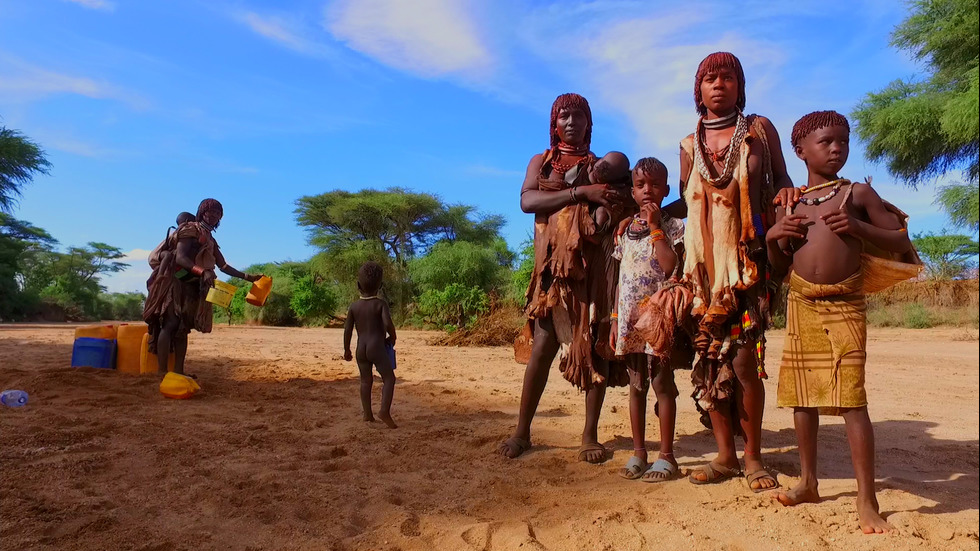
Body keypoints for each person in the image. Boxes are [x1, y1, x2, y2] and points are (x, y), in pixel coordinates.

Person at [767, 110, 909, 534]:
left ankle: (867, 500)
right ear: (800, 150)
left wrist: (859, 227)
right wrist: (775, 237)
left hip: (845, 302)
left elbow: (901, 238)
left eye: (842, 142)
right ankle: (808, 481)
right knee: (802, 396)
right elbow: (778, 265)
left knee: (851, 398)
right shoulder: (790, 201)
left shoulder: (857, 194)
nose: (836, 149)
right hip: (801, 302)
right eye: (826, 142)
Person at [677, 52, 796, 491]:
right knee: (710, 359)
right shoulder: (689, 145)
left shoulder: (760, 131)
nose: (718, 85)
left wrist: (788, 197)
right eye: (710, 78)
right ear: (699, 89)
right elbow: (686, 206)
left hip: (746, 268)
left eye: (727, 77)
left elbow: (782, 180)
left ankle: (752, 457)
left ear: (739, 85)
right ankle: (725, 455)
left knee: (745, 361)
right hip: (704, 276)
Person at [500, 93, 631, 463]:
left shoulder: (599, 165)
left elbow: (615, 204)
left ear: (590, 123)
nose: (571, 122)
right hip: (551, 271)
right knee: (542, 345)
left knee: (592, 345)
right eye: (564, 116)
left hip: (590, 270)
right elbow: (528, 202)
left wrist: (598, 197)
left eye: (578, 116)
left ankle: (590, 435)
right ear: (554, 123)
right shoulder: (541, 163)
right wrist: (579, 193)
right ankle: (522, 431)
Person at [610, 157, 685, 481]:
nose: (648, 190)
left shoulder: (672, 226)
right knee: (636, 385)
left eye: (655, 185)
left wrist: (656, 227)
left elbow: (670, 266)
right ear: (632, 190)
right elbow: (619, 278)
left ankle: (666, 456)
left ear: (666, 189)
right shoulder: (625, 230)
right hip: (628, 319)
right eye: (641, 185)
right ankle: (639, 452)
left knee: (662, 384)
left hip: (657, 318)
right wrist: (614, 319)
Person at [143, 199, 262, 375]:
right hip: (175, 282)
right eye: (210, 212)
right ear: (201, 212)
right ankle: (162, 372)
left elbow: (223, 266)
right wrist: (202, 272)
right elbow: (181, 258)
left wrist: (248, 277)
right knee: (171, 324)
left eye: (218, 213)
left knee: (183, 329)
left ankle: (179, 372)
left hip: (192, 285)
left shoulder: (210, 238)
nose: (214, 215)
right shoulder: (190, 229)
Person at [343, 261, 398, 429]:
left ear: (358, 285)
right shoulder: (380, 304)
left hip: (361, 349)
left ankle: (367, 414)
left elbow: (347, 330)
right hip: (377, 347)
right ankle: (384, 411)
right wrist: (393, 336)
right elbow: (387, 323)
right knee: (389, 379)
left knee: (365, 381)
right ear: (380, 286)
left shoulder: (354, 307)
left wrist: (346, 349)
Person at [589, 151, 632, 233]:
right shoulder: (589, 165)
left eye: (599, 179)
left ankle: (596, 234)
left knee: (601, 213)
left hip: (605, 212)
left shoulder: (624, 186)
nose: (594, 177)